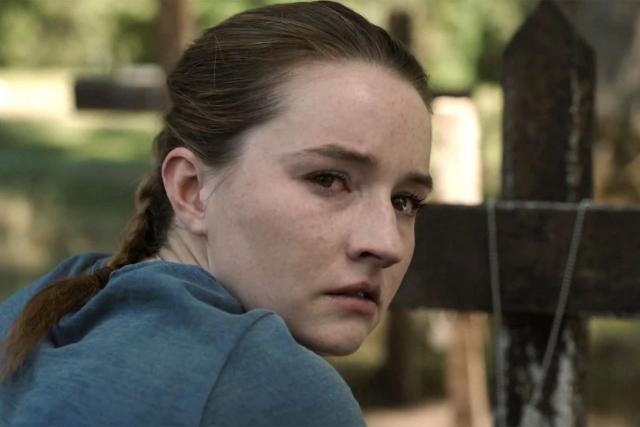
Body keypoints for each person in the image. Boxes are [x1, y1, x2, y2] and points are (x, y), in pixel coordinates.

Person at [0, 1, 433, 425]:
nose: (387, 244)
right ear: (192, 190)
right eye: (328, 179)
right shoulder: (281, 392)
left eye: (405, 201)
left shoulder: (41, 312)